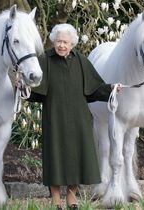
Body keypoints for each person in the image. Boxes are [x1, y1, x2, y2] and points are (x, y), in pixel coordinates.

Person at [26, 23, 122, 210]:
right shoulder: (44, 59)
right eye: (59, 41)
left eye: (66, 42)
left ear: (72, 44)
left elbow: (94, 89)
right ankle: (56, 200)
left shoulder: (81, 61)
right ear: (54, 41)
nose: (62, 45)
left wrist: (112, 88)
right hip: (54, 117)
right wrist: (22, 87)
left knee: (78, 157)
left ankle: (71, 198)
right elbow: (34, 91)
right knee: (55, 158)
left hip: (79, 119)